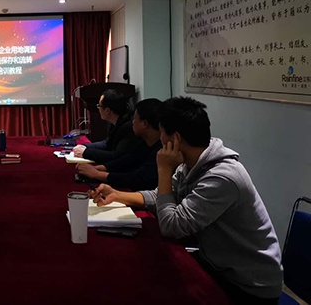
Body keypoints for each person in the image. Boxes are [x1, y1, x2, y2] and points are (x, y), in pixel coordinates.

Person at [90, 97, 282, 304]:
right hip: (217, 263)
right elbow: (161, 195)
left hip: (247, 284)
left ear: (175, 138)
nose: (160, 139)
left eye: (162, 133)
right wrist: (117, 195)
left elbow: (171, 226)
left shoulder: (222, 178)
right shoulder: (191, 163)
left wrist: (164, 170)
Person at [76, 98, 161, 191]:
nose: (132, 122)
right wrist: (99, 168)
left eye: (134, 118)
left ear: (144, 124)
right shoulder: (144, 142)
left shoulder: (160, 150)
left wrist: (97, 174)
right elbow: (128, 160)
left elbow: (138, 179)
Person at [73, 89, 142, 164]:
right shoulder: (118, 121)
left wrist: (85, 152)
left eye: (99, 106)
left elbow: (117, 156)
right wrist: (84, 146)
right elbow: (107, 144)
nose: (98, 109)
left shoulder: (127, 127)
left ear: (107, 110)